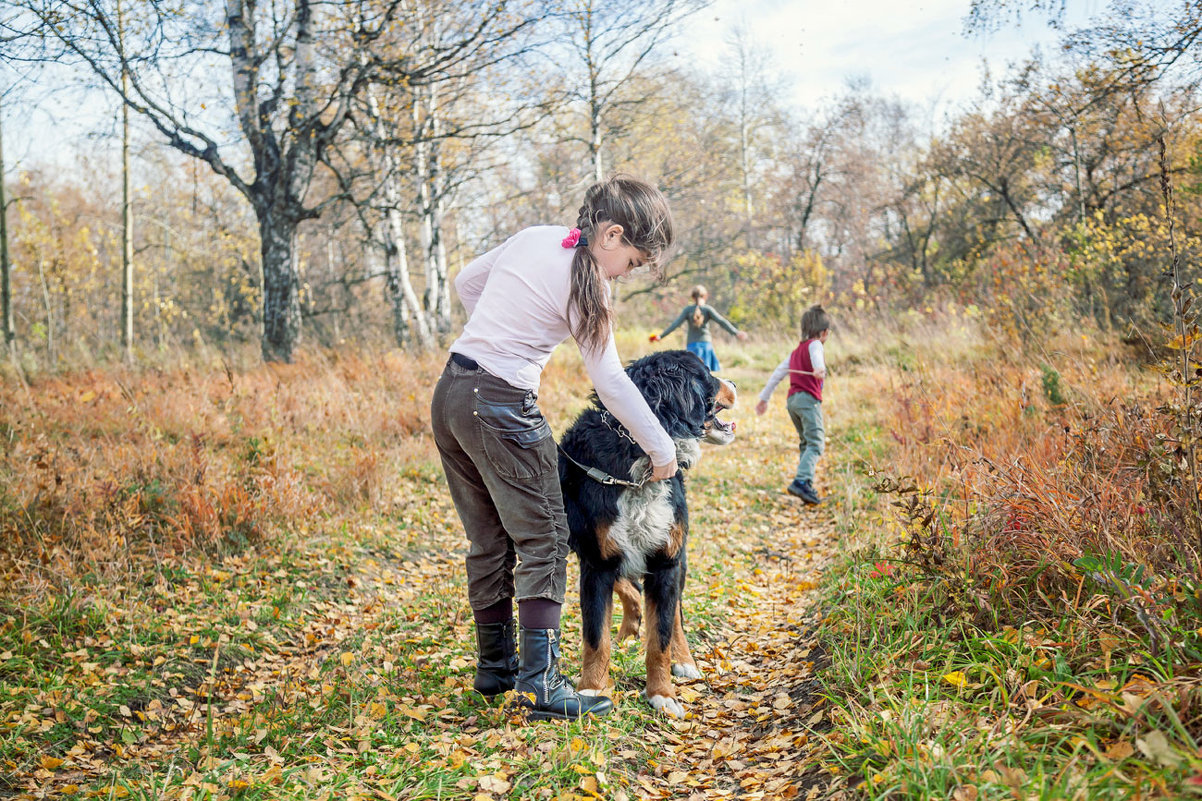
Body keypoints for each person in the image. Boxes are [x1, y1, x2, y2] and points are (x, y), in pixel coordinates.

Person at [430, 176, 678, 721]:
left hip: (451, 391)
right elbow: (610, 380)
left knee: (489, 538)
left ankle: (497, 667)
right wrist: (661, 451)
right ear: (611, 235)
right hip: (498, 403)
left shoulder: (537, 235)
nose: (625, 273)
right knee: (545, 533)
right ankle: (539, 683)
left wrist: (502, 330)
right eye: (632, 262)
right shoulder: (588, 279)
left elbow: (465, 280)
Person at [755, 305, 831, 505]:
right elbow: (817, 358)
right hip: (807, 401)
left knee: (806, 443)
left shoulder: (796, 352)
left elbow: (777, 374)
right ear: (824, 332)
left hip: (793, 402)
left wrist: (764, 398)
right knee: (816, 442)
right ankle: (801, 481)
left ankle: (806, 485)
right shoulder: (816, 345)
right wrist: (819, 368)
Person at [650, 285, 747, 371]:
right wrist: (736, 332)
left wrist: (660, 336)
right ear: (705, 296)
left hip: (692, 347)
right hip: (706, 346)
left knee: (694, 376)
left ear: (692, 297)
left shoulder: (688, 310)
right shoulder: (708, 309)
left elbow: (675, 324)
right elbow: (722, 321)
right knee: (707, 377)